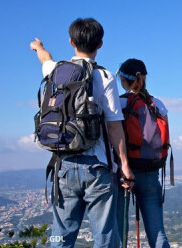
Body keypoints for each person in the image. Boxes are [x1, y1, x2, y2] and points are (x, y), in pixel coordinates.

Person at [30, 18, 134, 248]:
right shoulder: (105, 77)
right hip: (97, 167)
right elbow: (114, 124)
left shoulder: (56, 71)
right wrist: (125, 165)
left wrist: (38, 46)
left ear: (71, 42)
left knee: (60, 235)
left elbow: (45, 59)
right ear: (101, 44)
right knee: (105, 236)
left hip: (63, 166)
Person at [116, 59, 170, 248]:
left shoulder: (120, 103)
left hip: (123, 173)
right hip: (151, 170)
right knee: (157, 232)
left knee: (119, 234)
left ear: (123, 79)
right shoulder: (158, 104)